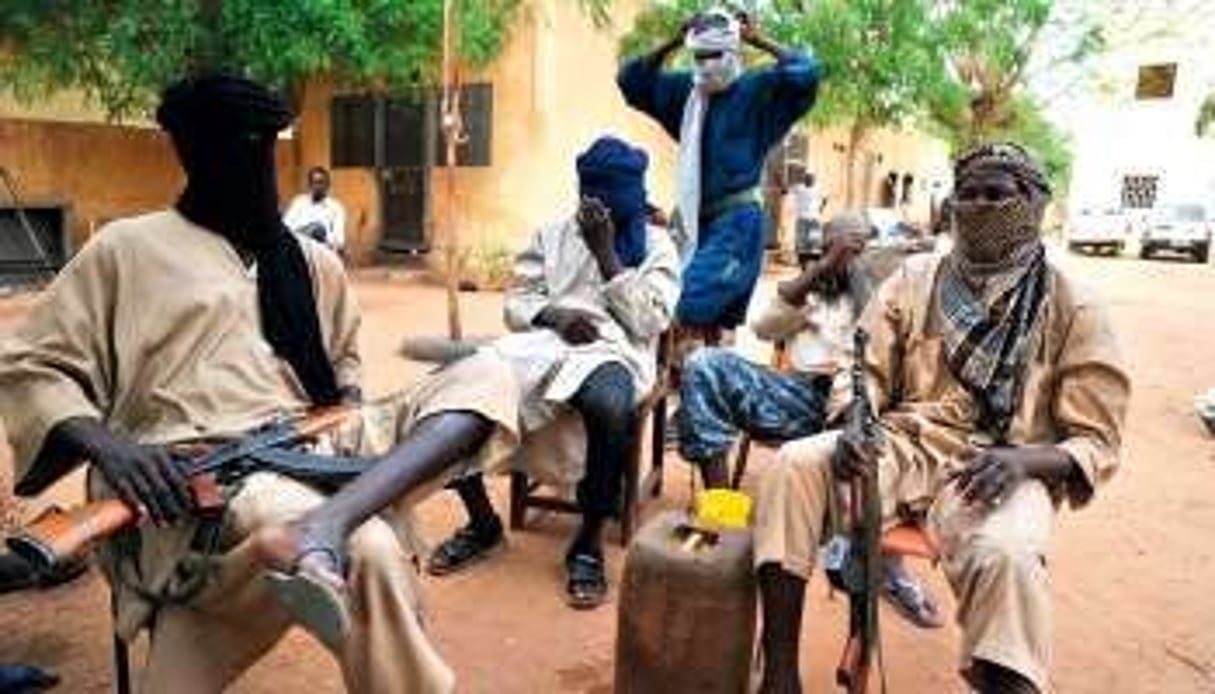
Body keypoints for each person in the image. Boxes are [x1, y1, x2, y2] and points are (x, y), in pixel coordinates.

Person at [0, 72, 523, 693]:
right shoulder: (124, 250)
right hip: (197, 467)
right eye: (234, 152)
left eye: (261, 150)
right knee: (375, 550)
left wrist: (347, 412)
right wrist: (116, 450)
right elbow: (31, 365)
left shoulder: (311, 261)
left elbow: (344, 374)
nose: (254, 167)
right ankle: (325, 529)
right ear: (193, 157)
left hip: (317, 443)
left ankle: (325, 525)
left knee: (490, 373)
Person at [752, 143, 1131, 694]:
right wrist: (856, 415)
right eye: (968, 194)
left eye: (996, 194)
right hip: (904, 443)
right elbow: (866, 366)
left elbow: (1096, 440)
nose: (978, 205)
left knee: (1008, 556)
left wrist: (1025, 460)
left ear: (1033, 203)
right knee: (794, 466)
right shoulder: (914, 277)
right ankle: (780, 676)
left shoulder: (1075, 304)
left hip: (1001, 468)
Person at [425, 137, 679, 610]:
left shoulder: (658, 244)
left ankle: (587, 543)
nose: (599, 204)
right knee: (454, 383)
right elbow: (517, 302)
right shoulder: (553, 234)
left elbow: (649, 323)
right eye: (591, 192)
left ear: (633, 191)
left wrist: (608, 256)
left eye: (611, 192)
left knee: (609, 405)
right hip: (544, 344)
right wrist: (554, 316)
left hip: (616, 351)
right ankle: (482, 522)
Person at [677, 212, 942, 629]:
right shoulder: (814, 288)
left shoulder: (890, 293)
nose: (842, 257)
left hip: (866, 407)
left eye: (852, 248)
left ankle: (887, 569)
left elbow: (894, 362)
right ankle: (723, 518)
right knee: (703, 365)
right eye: (832, 247)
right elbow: (764, 328)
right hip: (800, 396)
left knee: (882, 444)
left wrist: (861, 281)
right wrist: (819, 272)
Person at [617, 7, 820, 340]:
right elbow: (630, 80)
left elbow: (807, 73)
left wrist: (760, 40)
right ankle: (696, 377)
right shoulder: (686, 93)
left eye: (716, 54)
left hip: (737, 225)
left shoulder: (759, 90)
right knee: (692, 316)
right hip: (693, 222)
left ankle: (693, 374)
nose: (707, 63)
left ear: (734, 52)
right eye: (700, 55)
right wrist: (672, 42)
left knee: (682, 304)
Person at [284, 166, 347, 256]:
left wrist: (323, 236)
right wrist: (306, 232)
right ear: (309, 185)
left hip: (323, 252)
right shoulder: (298, 202)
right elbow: (287, 228)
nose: (317, 186)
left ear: (328, 185)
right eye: (314, 182)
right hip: (298, 249)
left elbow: (339, 240)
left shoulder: (336, 208)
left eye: (321, 182)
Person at [790, 171, 827, 263]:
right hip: (802, 218)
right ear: (804, 179)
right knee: (801, 239)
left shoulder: (818, 188)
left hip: (814, 218)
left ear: (814, 180)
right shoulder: (799, 188)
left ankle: (814, 258)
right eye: (807, 178)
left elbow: (825, 198)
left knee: (814, 239)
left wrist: (820, 209)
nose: (810, 180)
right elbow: (785, 190)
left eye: (812, 178)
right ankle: (802, 259)